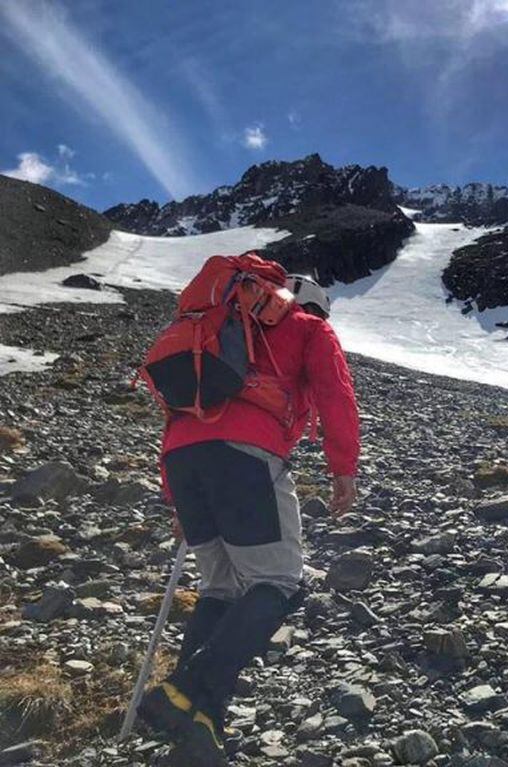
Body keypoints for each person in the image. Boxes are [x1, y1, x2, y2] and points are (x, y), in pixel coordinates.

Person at [139, 263, 359, 765]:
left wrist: (175, 494)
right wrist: (343, 468)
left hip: (184, 458)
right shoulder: (310, 329)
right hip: (245, 454)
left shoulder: (219, 324)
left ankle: (200, 722)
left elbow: (177, 411)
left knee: (221, 588)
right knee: (279, 581)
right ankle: (184, 687)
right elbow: (335, 395)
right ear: (315, 307)